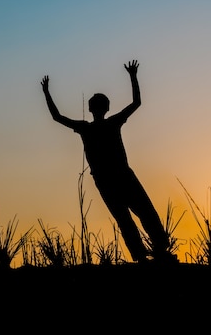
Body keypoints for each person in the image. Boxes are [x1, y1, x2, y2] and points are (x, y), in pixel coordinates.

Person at [40, 60, 176, 264]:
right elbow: (136, 102)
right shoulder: (108, 123)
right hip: (120, 176)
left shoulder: (88, 127)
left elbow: (56, 117)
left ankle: (146, 255)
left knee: (127, 219)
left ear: (91, 108)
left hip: (109, 179)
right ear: (107, 108)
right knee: (144, 213)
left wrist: (46, 92)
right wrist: (133, 76)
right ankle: (157, 251)